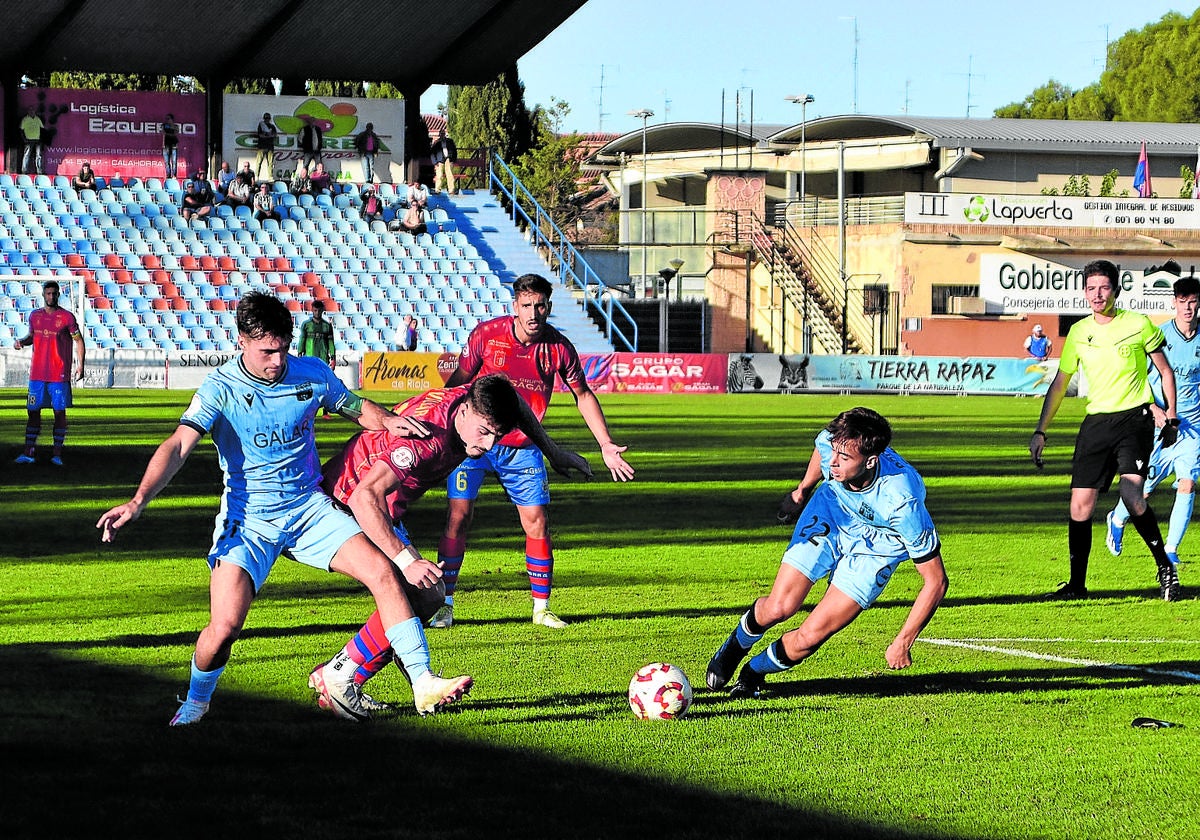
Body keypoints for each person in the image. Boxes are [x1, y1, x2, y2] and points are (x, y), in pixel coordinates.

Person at [95, 292, 473, 725]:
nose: (277, 361)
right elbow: (179, 444)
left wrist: (386, 419)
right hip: (249, 519)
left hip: (309, 509)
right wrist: (138, 500)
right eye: (266, 351)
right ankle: (196, 702)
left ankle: (424, 683)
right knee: (223, 630)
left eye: (283, 348)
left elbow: (353, 406)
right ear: (241, 341)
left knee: (384, 571)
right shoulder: (220, 389)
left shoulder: (310, 373)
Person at [309, 375, 593, 718]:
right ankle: (355, 677)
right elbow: (364, 496)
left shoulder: (472, 399)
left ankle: (343, 679)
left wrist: (553, 451)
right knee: (404, 585)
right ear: (466, 410)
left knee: (427, 595)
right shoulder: (425, 440)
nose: (489, 446)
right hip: (349, 500)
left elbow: (516, 404)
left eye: (497, 435)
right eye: (484, 432)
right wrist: (406, 558)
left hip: (381, 504)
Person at [432, 273, 636, 629]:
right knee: (458, 517)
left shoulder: (558, 347)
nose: (534, 313)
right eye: (526, 305)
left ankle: (541, 609)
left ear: (549, 307)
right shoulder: (486, 335)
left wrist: (605, 445)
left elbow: (583, 395)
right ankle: (445, 605)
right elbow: (458, 384)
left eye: (540, 305)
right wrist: (441, 428)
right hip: (474, 443)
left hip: (523, 448)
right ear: (515, 306)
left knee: (537, 523)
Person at [706, 407, 949, 699]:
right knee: (780, 606)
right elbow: (822, 449)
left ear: (872, 461)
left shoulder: (902, 502)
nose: (832, 462)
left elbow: (936, 581)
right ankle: (736, 645)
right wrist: (801, 492)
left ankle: (754, 672)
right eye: (834, 452)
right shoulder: (834, 444)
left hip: (879, 548)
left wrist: (903, 641)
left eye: (844, 459)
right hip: (832, 513)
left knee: (809, 637)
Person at [1029, 259, 1181, 601]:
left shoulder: (1139, 324)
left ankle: (1165, 568)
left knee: (1130, 495)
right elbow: (1059, 384)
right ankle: (1077, 585)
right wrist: (1041, 430)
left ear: (1116, 289)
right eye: (1091, 288)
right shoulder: (1080, 332)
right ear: (1085, 292)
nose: (1097, 295)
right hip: (1096, 423)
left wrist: (1170, 416)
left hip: (1134, 420)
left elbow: (1165, 372)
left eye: (1104, 287)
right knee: (1079, 506)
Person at [1105, 275, 1200, 576]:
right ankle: (1117, 519)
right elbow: (1137, 377)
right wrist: (1153, 407)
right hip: (1160, 428)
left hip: (1193, 429)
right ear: (1173, 303)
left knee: (1187, 484)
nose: (1188, 308)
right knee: (1143, 491)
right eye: (1182, 302)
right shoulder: (1158, 336)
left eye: (1193, 302)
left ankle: (1170, 550)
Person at [12, 280, 85, 466]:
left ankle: (57, 454)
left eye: (54, 293)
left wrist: (80, 365)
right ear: (43, 295)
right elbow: (31, 337)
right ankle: (29, 452)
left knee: (59, 412)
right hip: (37, 375)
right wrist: (22, 341)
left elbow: (79, 341)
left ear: (58, 294)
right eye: (48, 293)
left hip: (58, 374)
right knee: (33, 412)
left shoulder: (67, 317)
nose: (51, 296)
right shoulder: (34, 316)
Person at [298, 300, 336, 368]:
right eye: (315, 310)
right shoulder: (306, 325)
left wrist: (333, 357)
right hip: (309, 358)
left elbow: (330, 342)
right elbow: (302, 339)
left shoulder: (327, 326)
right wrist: (300, 352)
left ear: (322, 310)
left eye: (319, 310)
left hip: (323, 358)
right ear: (312, 310)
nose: (317, 313)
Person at [431, 128, 457, 195]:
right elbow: (432, 153)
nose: (442, 135)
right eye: (441, 133)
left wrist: (453, 160)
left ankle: (451, 190)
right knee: (439, 175)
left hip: (449, 159)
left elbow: (454, 150)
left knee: (450, 175)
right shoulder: (436, 142)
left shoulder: (450, 141)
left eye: (443, 133)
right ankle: (437, 190)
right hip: (439, 160)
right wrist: (435, 162)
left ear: (445, 134)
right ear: (439, 134)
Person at [254, 112, 279, 181]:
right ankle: (256, 176)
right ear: (264, 118)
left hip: (270, 147)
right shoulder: (261, 125)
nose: (267, 119)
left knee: (270, 163)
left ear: (270, 119)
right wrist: (268, 135)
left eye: (268, 118)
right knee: (259, 161)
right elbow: (260, 135)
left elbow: (274, 135)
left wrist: (266, 135)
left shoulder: (272, 126)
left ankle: (270, 176)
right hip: (261, 147)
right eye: (266, 118)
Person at [20, 107, 44, 175]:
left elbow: (42, 128)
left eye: (33, 110)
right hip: (28, 140)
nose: (32, 112)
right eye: (30, 110)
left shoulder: (37, 119)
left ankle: (39, 171)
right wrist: (24, 139)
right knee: (26, 155)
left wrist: (41, 139)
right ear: (28, 112)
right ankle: (24, 171)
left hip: (37, 140)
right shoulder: (25, 119)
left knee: (38, 155)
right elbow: (21, 130)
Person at [162, 113, 179, 179]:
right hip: (166, 145)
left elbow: (175, 134)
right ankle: (168, 175)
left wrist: (168, 133)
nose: (167, 120)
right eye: (166, 119)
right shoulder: (164, 126)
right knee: (167, 162)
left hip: (173, 146)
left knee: (174, 161)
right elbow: (163, 133)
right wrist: (163, 144)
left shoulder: (175, 126)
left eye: (168, 119)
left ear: (172, 119)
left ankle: (174, 175)